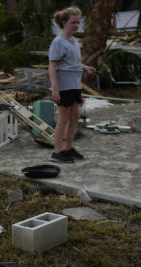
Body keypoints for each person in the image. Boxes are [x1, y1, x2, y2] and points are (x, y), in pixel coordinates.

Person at [48, 6, 96, 164]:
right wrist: (55, 89)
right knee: (63, 119)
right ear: (64, 23)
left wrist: (85, 67)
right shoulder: (58, 42)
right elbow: (52, 66)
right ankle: (56, 152)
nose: (76, 25)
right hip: (63, 86)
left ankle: (68, 148)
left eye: (78, 22)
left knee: (74, 117)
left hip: (75, 85)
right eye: (73, 22)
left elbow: (72, 62)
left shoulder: (73, 40)